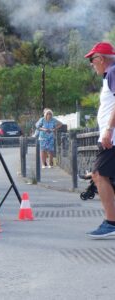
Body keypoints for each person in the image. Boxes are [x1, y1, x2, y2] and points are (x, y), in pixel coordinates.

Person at [84, 42, 115, 239]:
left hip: (111, 138)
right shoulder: (110, 75)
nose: (91, 65)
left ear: (101, 59)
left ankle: (111, 222)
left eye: (92, 60)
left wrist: (108, 131)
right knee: (102, 176)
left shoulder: (113, 72)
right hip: (111, 136)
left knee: (98, 174)